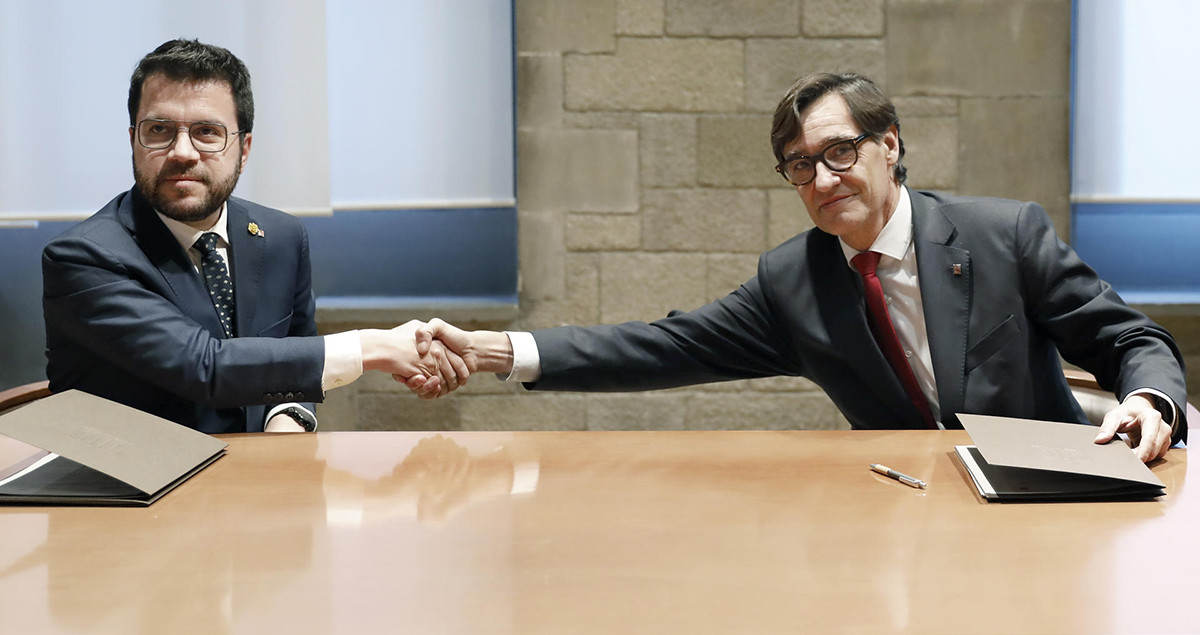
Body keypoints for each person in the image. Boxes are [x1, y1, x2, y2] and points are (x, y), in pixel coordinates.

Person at [415, 71, 1187, 463]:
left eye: (839, 152)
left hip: (1050, 502)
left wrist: (1149, 401)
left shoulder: (1003, 235)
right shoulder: (796, 281)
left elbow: (1129, 340)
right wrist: (493, 351)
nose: (821, 181)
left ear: (890, 145)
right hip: (908, 518)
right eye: (799, 166)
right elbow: (660, 345)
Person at [42, 39, 466, 434]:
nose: (183, 151)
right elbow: (205, 367)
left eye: (207, 132)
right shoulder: (84, 258)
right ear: (133, 140)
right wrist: (372, 346)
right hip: (128, 501)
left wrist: (286, 423)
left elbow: (292, 360)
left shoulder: (281, 236)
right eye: (159, 130)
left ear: (243, 149)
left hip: (254, 489)